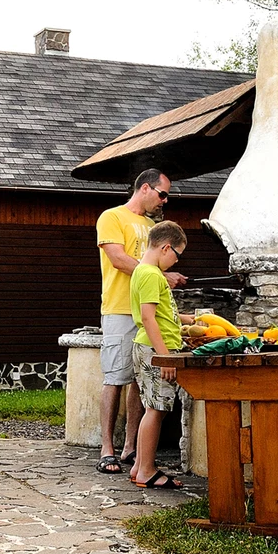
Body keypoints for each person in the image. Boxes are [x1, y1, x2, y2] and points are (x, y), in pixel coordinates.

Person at [95, 169, 187, 474]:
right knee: (115, 378)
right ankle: (106, 448)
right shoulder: (112, 217)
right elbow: (118, 259)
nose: (165, 200)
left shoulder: (154, 227)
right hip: (119, 309)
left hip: (147, 313)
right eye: (162, 194)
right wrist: (161, 274)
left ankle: (132, 448)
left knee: (140, 382)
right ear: (144, 188)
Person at [129, 220, 194, 489]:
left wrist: (187, 320)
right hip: (155, 351)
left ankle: (138, 466)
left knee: (154, 409)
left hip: (152, 349)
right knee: (156, 410)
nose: (176, 261)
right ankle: (146, 469)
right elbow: (148, 318)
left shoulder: (145, 273)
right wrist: (165, 356)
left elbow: (162, 314)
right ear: (166, 247)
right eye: (177, 255)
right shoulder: (151, 274)